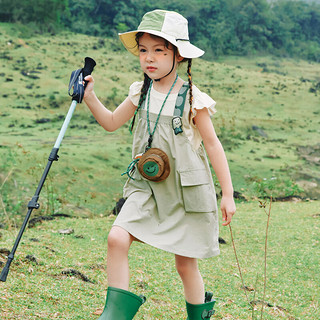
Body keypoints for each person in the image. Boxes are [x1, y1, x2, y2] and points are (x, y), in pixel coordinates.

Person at [84, 9, 236, 320]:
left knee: (185, 263)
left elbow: (213, 145)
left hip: (185, 192)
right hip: (147, 187)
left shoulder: (194, 98)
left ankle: (199, 315)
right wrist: (89, 96)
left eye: (159, 50)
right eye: (143, 50)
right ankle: (114, 315)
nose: (149, 58)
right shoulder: (140, 91)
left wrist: (228, 194)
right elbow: (112, 122)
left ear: (178, 55)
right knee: (116, 237)